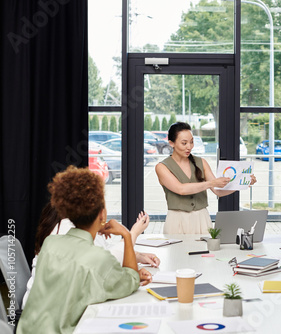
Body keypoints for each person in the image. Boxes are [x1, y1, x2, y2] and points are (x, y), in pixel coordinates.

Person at [17, 166, 152, 334]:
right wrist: (125, 234)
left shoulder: (51, 243)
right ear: (102, 215)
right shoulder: (98, 259)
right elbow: (131, 281)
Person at [21, 204, 160, 308]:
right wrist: (131, 234)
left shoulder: (69, 224)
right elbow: (105, 263)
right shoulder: (67, 227)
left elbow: (104, 256)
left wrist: (136, 256)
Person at [155, 122, 256, 234]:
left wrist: (242, 183)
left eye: (191, 142)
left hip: (202, 218)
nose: (189, 147)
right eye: (184, 143)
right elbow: (181, 189)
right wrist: (211, 183)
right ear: (171, 143)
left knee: (204, 251)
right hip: (176, 220)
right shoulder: (162, 167)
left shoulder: (201, 162)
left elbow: (218, 191)